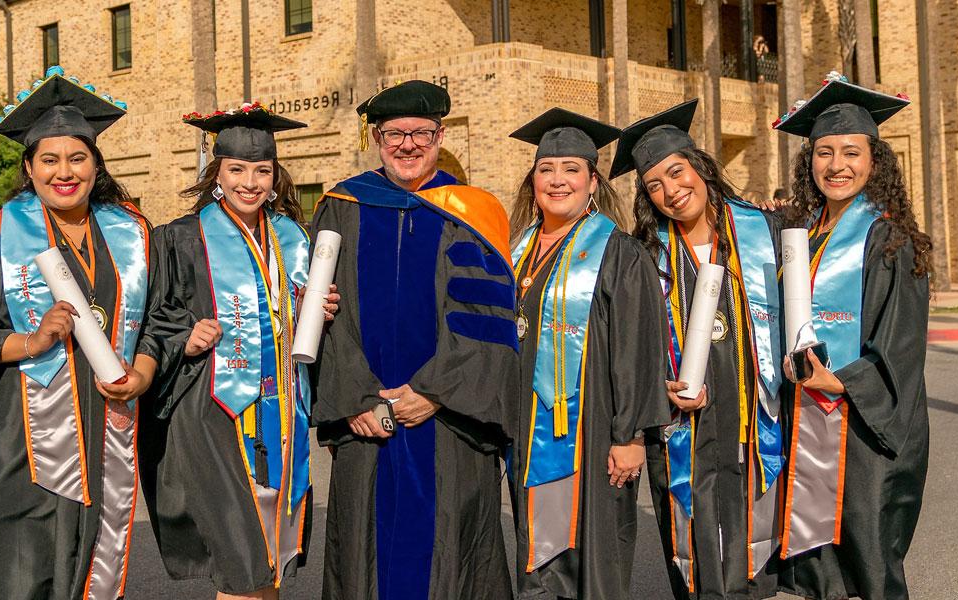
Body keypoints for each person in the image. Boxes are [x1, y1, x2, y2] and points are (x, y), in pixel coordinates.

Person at [0, 70, 162, 599]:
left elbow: (161, 317)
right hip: (20, 438)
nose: (65, 172)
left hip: (109, 423)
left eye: (77, 158)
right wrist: (30, 341)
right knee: (20, 564)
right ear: (30, 169)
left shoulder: (135, 233)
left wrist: (144, 372)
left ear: (96, 166)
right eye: (50, 160)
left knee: (95, 562)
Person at [308, 80, 521, 600]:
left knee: (452, 554)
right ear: (377, 138)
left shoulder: (473, 214)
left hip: (447, 421)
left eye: (420, 133)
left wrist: (434, 391)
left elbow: (489, 319)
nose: (407, 145)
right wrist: (355, 397)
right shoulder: (341, 206)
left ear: (440, 134)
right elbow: (319, 315)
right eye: (394, 134)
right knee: (365, 553)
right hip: (367, 421)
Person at [139, 105, 340, 600]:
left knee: (267, 559)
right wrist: (184, 339)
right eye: (237, 170)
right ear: (217, 173)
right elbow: (149, 321)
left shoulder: (293, 238)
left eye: (261, 171)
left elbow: (291, 319)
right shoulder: (179, 240)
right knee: (241, 557)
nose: (249, 182)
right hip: (213, 414)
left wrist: (318, 310)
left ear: (275, 177)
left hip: (283, 414)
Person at [613, 100, 790, 600]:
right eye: (654, 185)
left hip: (752, 416)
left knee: (753, 541)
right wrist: (658, 386)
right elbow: (627, 343)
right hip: (680, 423)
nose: (671, 191)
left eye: (677, 171)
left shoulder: (763, 231)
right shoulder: (642, 255)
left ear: (700, 167)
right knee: (693, 552)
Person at [772, 75, 932, 600]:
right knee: (820, 563)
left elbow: (901, 345)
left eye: (850, 152)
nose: (836, 165)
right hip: (808, 415)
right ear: (808, 161)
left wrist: (840, 380)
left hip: (866, 425)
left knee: (869, 558)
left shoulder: (890, 238)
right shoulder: (802, 235)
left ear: (875, 160)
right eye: (823, 152)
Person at [502, 107, 669, 599]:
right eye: (546, 170)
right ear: (531, 181)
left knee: (593, 559)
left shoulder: (619, 253)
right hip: (529, 432)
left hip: (596, 433)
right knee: (538, 557)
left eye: (571, 170)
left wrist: (633, 435)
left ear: (593, 182)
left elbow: (640, 348)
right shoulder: (516, 250)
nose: (557, 181)